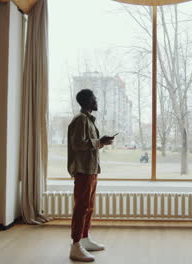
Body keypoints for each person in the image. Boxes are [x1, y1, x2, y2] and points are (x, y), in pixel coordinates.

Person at [67, 89, 114, 262]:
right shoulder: (80, 120)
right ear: (87, 101)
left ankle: (85, 239)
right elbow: (78, 144)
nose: (96, 101)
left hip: (91, 169)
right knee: (81, 207)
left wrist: (102, 142)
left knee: (89, 206)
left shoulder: (88, 120)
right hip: (83, 170)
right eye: (94, 99)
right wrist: (99, 141)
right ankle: (75, 245)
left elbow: (90, 145)